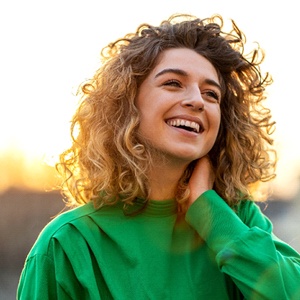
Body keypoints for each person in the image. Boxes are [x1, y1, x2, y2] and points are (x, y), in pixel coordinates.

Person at [17, 13, 300, 299]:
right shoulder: (67, 245)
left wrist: (212, 217)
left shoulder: (238, 220)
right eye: (173, 83)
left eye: (211, 94)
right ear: (127, 104)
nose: (197, 100)